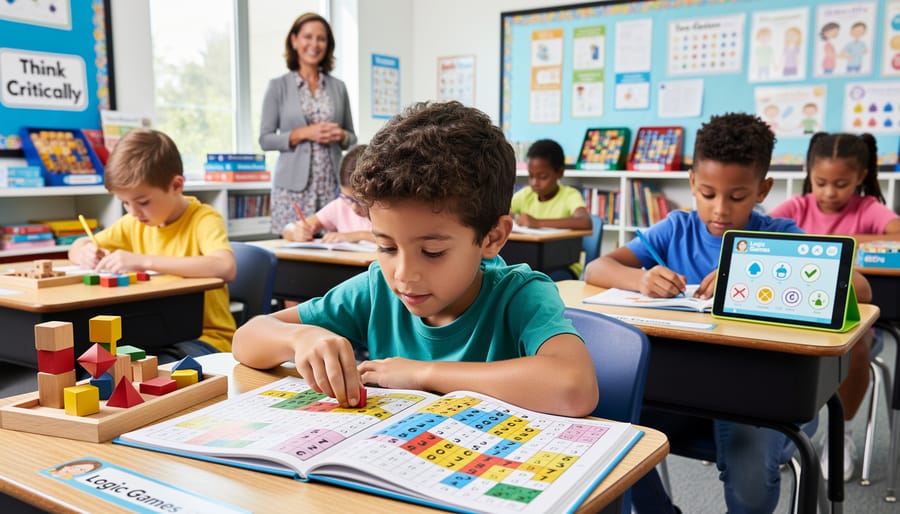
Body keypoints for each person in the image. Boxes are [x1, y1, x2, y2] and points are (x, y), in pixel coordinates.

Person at [232, 101, 599, 419]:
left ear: (493, 237)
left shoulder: (520, 296)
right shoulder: (378, 290)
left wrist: (423, 374)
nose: (403, 275)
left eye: (433, 251)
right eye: (387, 248)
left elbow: (574, 386)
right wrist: (301, 338)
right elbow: (246, 338)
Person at [584, 113, 871, 514]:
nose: (719, 209)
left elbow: (859, 287)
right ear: (691, 183)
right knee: (606, 426)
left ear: (762, 189)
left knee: (749, 478)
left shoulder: (779, 235)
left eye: (737, 197)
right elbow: (597, 268)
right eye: (707, 193)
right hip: (679, 392)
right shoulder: (675, 229)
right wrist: (641, 279)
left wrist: (754, 277)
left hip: (759, 401)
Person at [769, 131, 898, 481]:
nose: (828, 192)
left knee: (855, 349)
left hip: (850, 323)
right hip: (798, 315)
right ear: (809, 172)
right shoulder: (796, 208)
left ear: (860, 177)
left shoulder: (869, 209)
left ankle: (843, 432)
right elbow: (763, 231)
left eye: (840, 184)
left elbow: (896, 230)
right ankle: (779, 430)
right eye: (820, 181)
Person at [68, 129, 236, 362]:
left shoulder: (203, 219)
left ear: (176, 185)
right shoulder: (133, 223)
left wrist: (142, 260)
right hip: (150, 336)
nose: (134, 212)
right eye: (125, 203)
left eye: (143, 202)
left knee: (148, 370)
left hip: (206, 340)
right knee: (92, 363)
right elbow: (76, 246)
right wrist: (84, 252)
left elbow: (225, 267)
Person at [260, 12, 357, 235]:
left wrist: (340, 135)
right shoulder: (278, 87)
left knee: (333, 244)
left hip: (331, 183)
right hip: (292, 188)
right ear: (294, 40)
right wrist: (304, 133)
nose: (314, 44)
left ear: (328, 45)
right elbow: (265, 139)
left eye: (321, 39)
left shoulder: (338, 87)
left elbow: (351, 137)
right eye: (308, 37)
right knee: (294, 242)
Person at [509, 139, 592, 280]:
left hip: (562, 266)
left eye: (542, 177)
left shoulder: (569, 195)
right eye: (531, 176)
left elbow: (585, 222)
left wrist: (538, 223)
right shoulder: (525, 194)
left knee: (540, 282)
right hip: (529, 263)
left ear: (559, 172)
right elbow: (499, 212)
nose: (535, 182)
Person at [283, 144, 373, 243]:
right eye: (347, 198)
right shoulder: (341, 205)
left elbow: (390, 239)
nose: (354, 207)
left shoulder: (385, 208)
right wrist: (296, 232)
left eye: (360, 200)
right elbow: (288, 229)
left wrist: (358, 236)